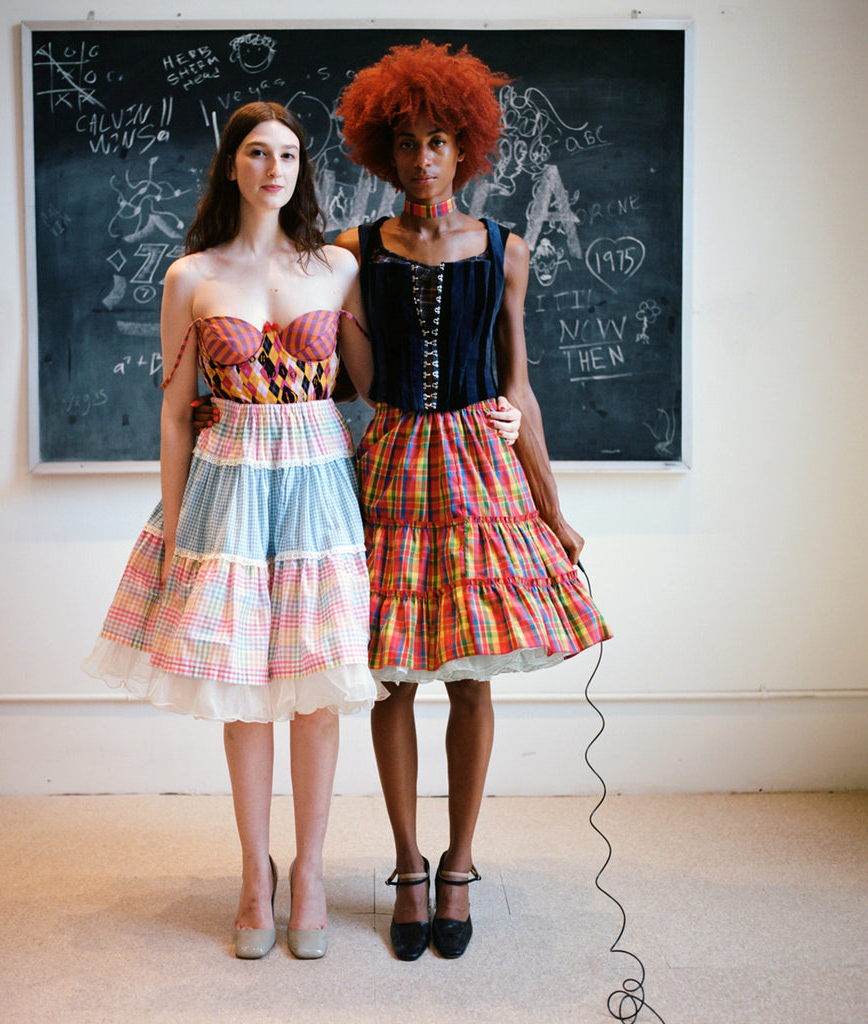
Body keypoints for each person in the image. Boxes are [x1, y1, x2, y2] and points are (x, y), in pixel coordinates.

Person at [82, 102, 384, 961]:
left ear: (302, 169)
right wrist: (178, 532)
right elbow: (176, 416)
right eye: (257, 152)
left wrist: (489, 401)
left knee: (317, 690)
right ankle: (257, 875)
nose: (274, 167)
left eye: (289, 154)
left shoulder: (336, 266)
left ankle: (313, 871)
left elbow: (371, 383)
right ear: (231, 166)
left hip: (319, 481)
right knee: (244, 691)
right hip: (229, 487)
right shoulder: (190, 277)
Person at [332, 40, 612, 961]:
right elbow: (360, 383)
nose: (424, 158)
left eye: (441, 141)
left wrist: (554, 506)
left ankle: (460, 863)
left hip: (479, 471)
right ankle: (408, 865)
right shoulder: (355, 249)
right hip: (395, 461)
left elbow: (519, 388)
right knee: (394, 673)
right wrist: (340, 318)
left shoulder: (507, 248)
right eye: (409, 142)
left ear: (466, 150)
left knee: (473, 675)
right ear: (385, 151)